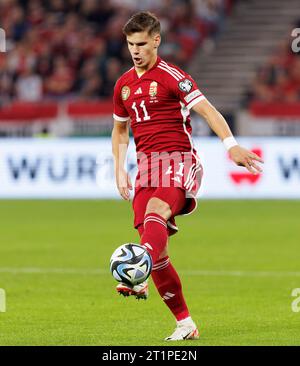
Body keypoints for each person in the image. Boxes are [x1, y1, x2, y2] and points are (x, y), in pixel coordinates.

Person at [111, 11, 263, 341]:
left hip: (178, 160)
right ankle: (185, 323)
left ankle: (136, 273)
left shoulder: (172, 76)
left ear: (156, 41)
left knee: (156, 214)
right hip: (146, 167)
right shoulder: (123, 85)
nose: (135, 50)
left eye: (141, 44)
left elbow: (207, 110)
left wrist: (231, 145)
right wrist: (119, 168)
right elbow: (120, 130)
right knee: (158, 252)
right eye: (129, 44)